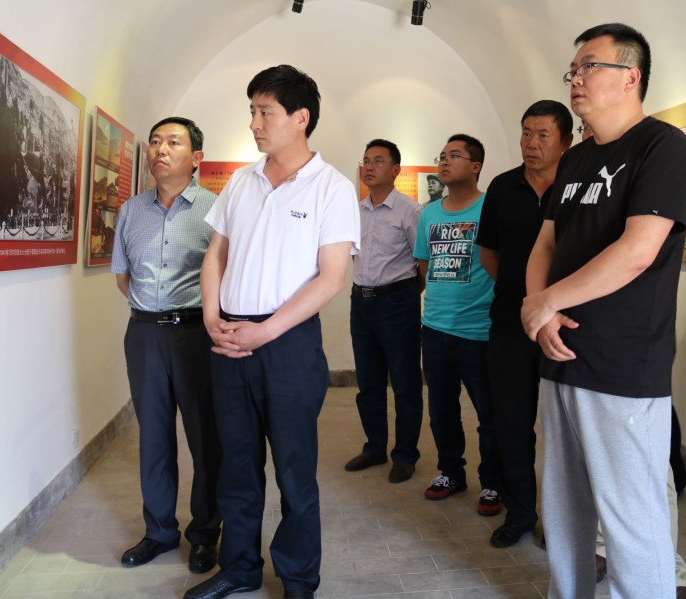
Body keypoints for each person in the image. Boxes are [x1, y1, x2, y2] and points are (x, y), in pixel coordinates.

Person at [522, 23, 686, 598]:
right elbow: (545, 245)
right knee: (563, 512)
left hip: (623, 365)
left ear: (630, 76)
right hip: (559, 355)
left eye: (589, 66)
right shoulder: (575, 160)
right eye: (573, 70)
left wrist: (548, 301)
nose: (575, 79)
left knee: (630, 520)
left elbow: (638, 251)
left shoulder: (662, 146)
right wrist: (540, 312)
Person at [184, 65, 360, 599]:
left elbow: (331, 278)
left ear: (300, 118)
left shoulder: (331, 187)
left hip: (288, 344)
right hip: (228, 337)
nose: (255, 123)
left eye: (266, 112)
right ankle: (239, 568)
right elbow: (216, 256)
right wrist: (211, 316)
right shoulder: (242, 181)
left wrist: (266, 332)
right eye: (252, 112)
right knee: (235, 466)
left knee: (294, 470)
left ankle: (298, 578)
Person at [575, 120, 686, 599]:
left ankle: (671, 573)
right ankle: (603, 549)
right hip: (581, 347)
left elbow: (637, 254)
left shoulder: (657, 154)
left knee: (647, 475)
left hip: (631, 352)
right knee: (595, 468)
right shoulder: (579, 177)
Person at [110, 117, 221, 575]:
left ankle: (205, 533)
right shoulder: (130, 210)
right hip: (144, 335)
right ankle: (159, 532)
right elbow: (123, 276)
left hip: (196, 334)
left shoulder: (216, 209)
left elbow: (226, 276)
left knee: (205, 437)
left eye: (173, 142)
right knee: (153, 436)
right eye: (155, 141)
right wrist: (152, 312)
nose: (161, 149)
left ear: (196, 158)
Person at [476, 100, 573, 548]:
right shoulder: (502, 187)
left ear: (565, 141)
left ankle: (563, 520)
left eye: (542, 135)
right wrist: (527, 300)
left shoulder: (579, 186)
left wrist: (550, 306)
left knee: (566, 430)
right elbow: (488, 252)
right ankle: (519, 514)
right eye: (525, 133)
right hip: (510, 326)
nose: (531, 144)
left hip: (568, 325)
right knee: (511, 424)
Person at [414, 134, 500, 516]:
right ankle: (451, 472)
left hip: (479, 330)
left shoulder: (490, 208)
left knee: (488, 414)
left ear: (476, 166)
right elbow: (423, 264)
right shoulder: (429, 213)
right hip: (434, 328)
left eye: (454, 155)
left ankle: (493, 481)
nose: (444, 162)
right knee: (442, 410)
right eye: (442, 156)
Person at [344, 139, 423, 484]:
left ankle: (404, 455)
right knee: (368, 382)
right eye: (366, 161)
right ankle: (374, 447)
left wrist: (403, 296)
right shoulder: (355, 210)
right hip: (361, 302)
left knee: (405, 383)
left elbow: (422, 262)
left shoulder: (410, 210)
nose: (369, 167)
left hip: (397, 301)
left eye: (378, 160)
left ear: (395, 170)